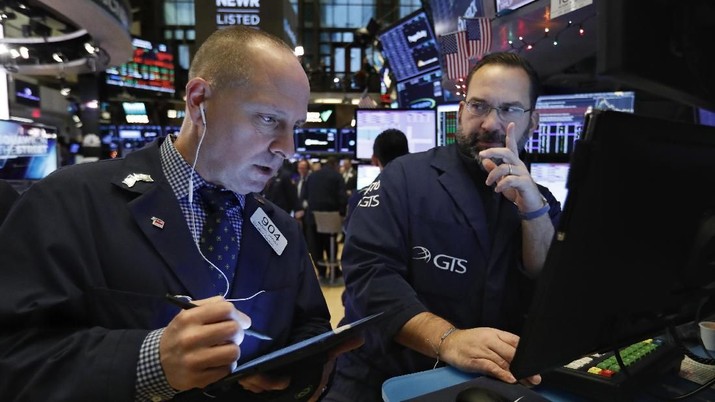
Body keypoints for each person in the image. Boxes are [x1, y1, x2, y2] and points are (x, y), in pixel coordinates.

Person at [0, 26, 358, 402]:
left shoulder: (281, 230)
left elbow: (309, 323)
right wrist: (149, 361)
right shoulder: (69, 202)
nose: (288, 148)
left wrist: (296, 369)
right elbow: (13, 354)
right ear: (199, 100)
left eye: (295, 127)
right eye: (269, 119)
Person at [322, 52, 562, 401]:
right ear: (461, 110)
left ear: (533, 120)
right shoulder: (403, 178)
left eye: (509, 109)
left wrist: (532, 212)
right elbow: (369, 277)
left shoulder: (540, 201)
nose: (490, 123)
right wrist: (448, 339)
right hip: (384, 379)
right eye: (479, 106)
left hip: (488, 384)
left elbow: (548, 283)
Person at [342, 128, 409, 234]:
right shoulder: (427, 192)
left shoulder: (361, 197)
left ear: (374, 160)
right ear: (409, 155)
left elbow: (349, 230)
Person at [303, 156, 348, 281]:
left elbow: (305, 195)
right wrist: (342, 214)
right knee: (331, 243)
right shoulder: (337, 176)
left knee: (316, 246)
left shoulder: (312, 176)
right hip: (331, 218)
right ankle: (335, 272)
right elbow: (342, 198)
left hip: (313, 217)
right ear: (335, 165)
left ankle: (321, 272)